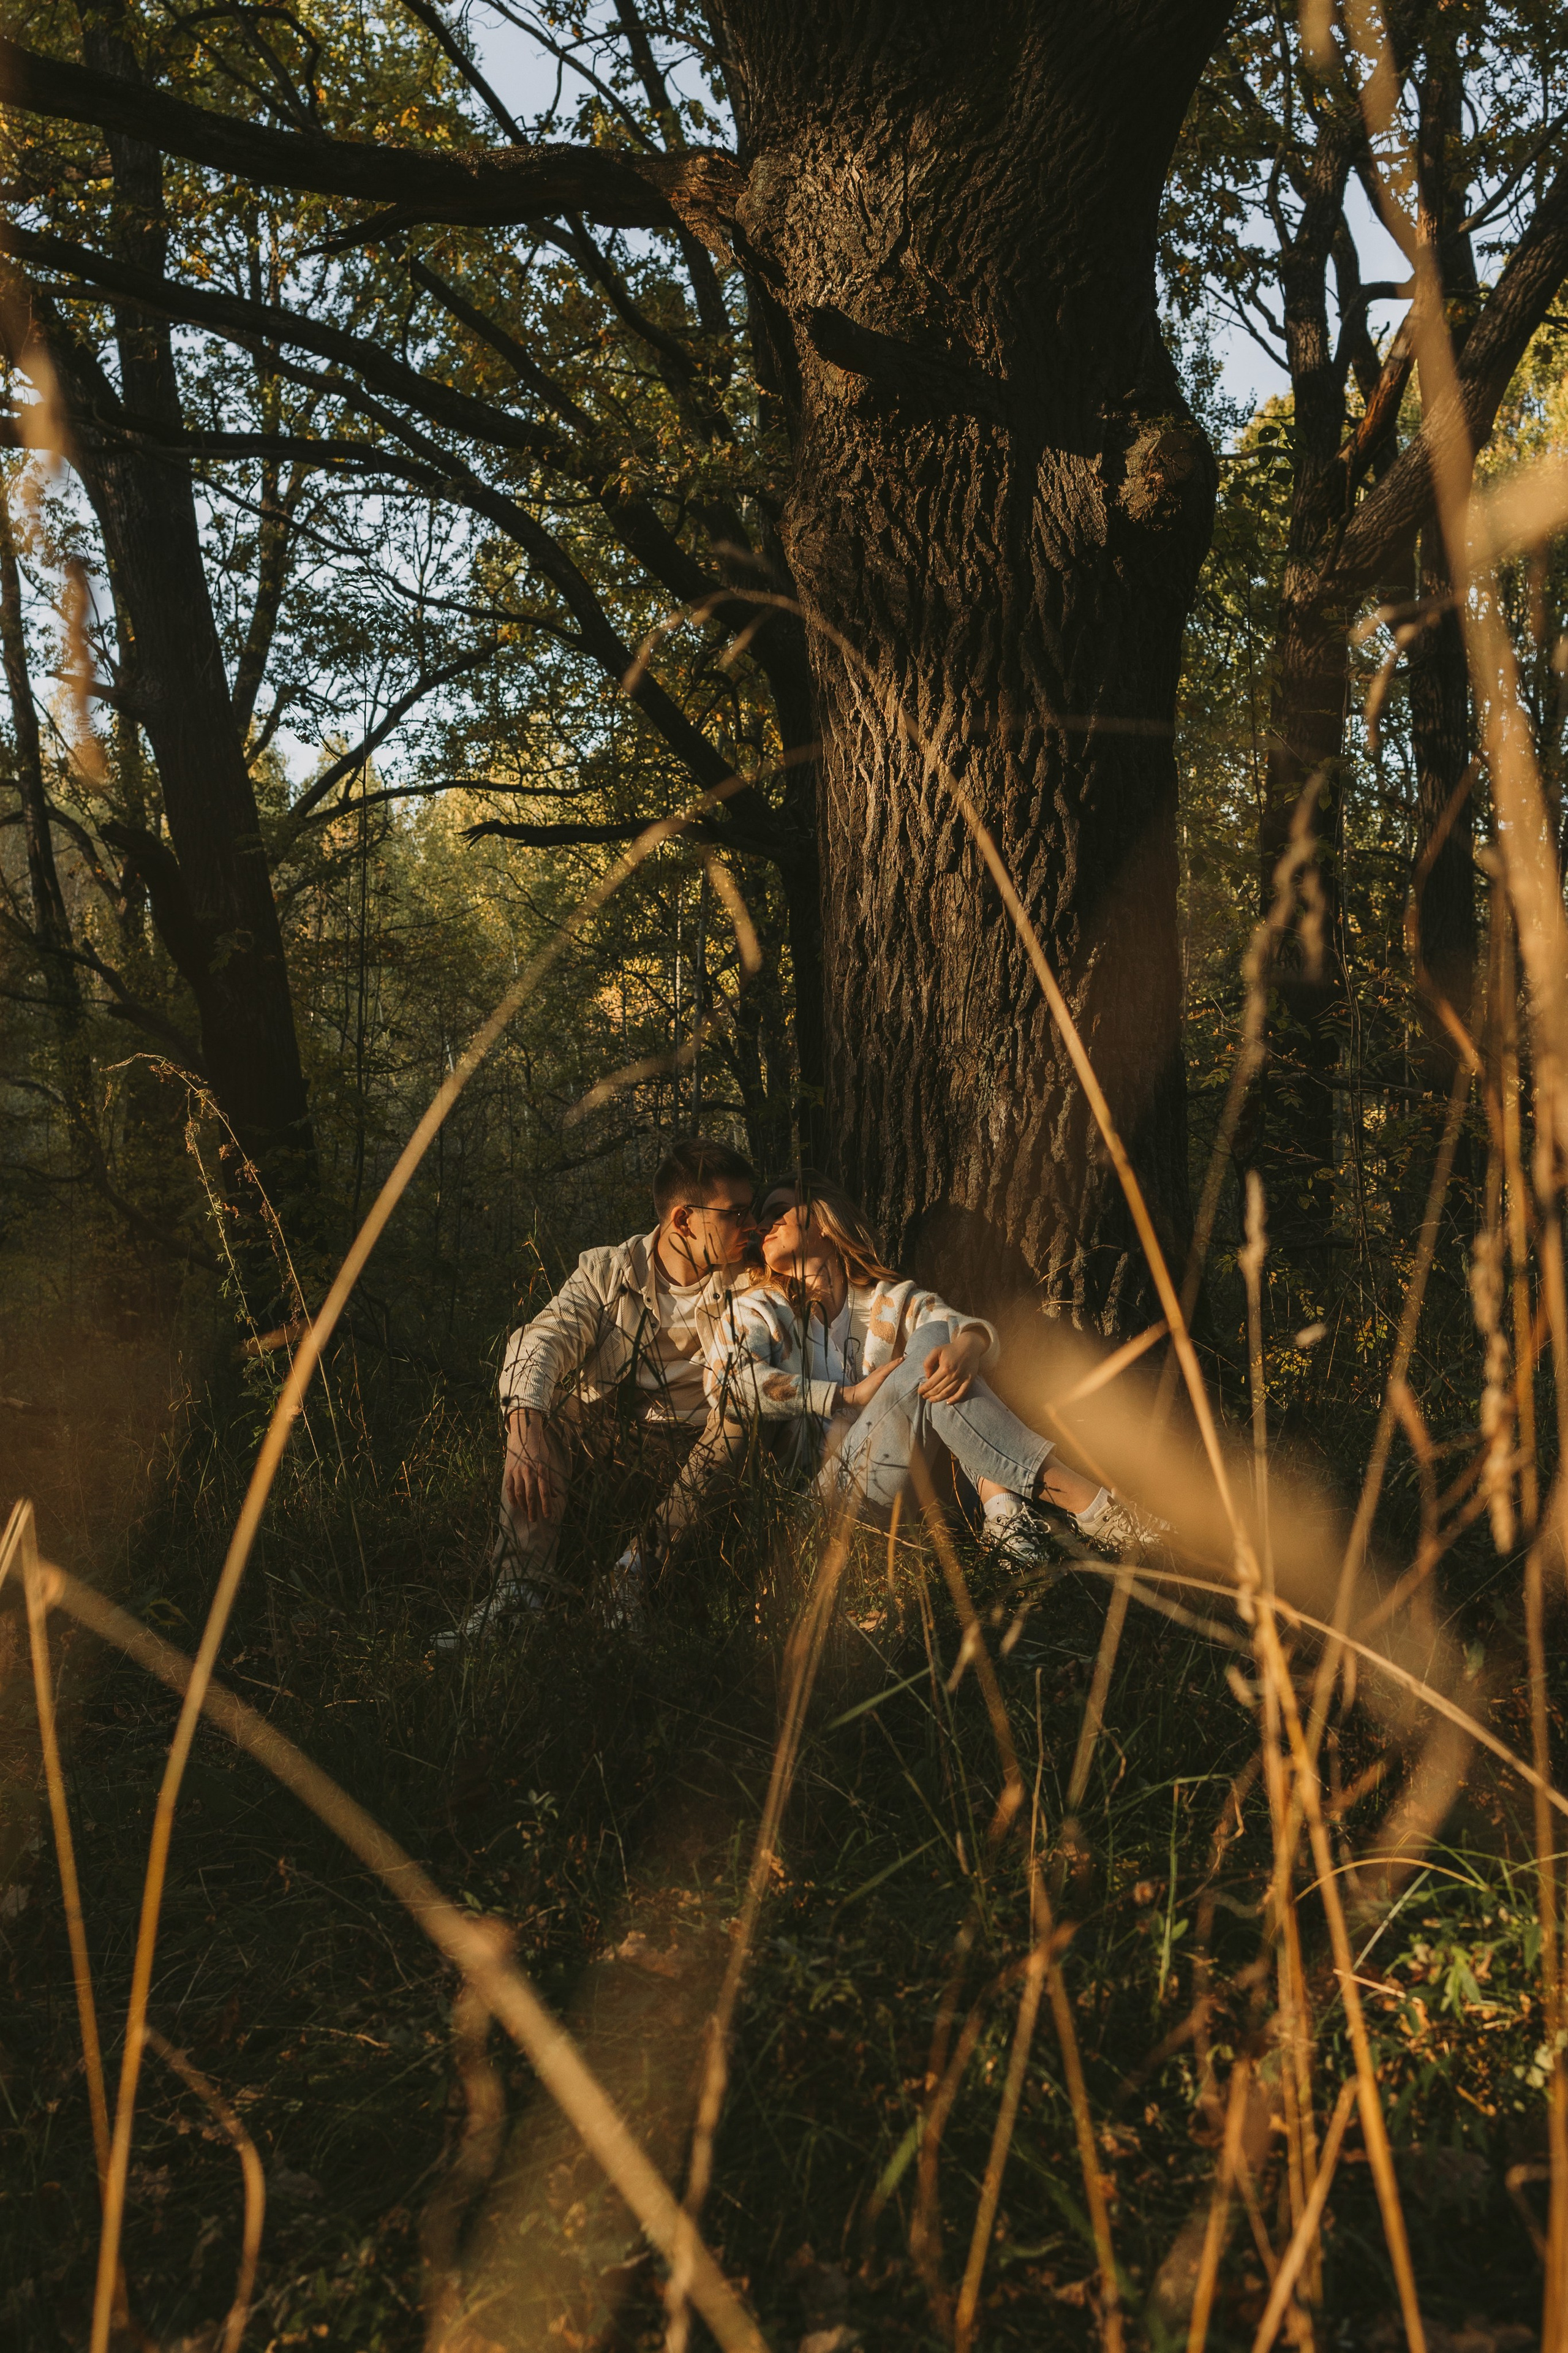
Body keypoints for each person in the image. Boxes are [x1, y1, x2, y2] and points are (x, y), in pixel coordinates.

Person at [707, 1173, 1144, 1562]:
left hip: (906, 1489)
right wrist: (845, 1396)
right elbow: (727, 1386)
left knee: (937, 1342)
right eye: (762, 1220)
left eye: (779, 1211)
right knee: (933, 1350)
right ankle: (1089, 1509)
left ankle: (1009, 1519)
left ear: (823, 1220)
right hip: (824, 1510)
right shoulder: (759, 1308)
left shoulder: (890, 1299)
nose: (764, 1225)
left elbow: (956, 1328)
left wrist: (970, 1345)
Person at [437, 1137, 758, 1650]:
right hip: (617, 1446)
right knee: (546, 1411)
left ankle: (629, 1579)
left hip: (703, 1454)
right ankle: (519, 1595)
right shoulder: (609, 1271)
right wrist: (523, 1423)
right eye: (735, 1213)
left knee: (738, 1419)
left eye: (751, 1211)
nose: (751, 1226)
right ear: (683, 1220)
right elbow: (542, 1338)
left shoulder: (754, 1277)